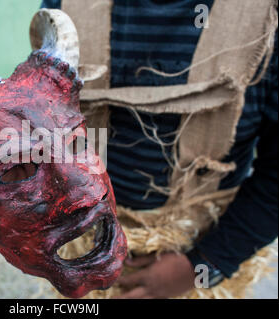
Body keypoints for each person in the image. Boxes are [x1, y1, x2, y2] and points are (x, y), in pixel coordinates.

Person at [42, 0, 278, 298]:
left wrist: (203, 266)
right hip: (80, 246)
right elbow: (46, 111)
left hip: (195, 252)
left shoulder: (265, 21)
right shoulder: (65, 8)